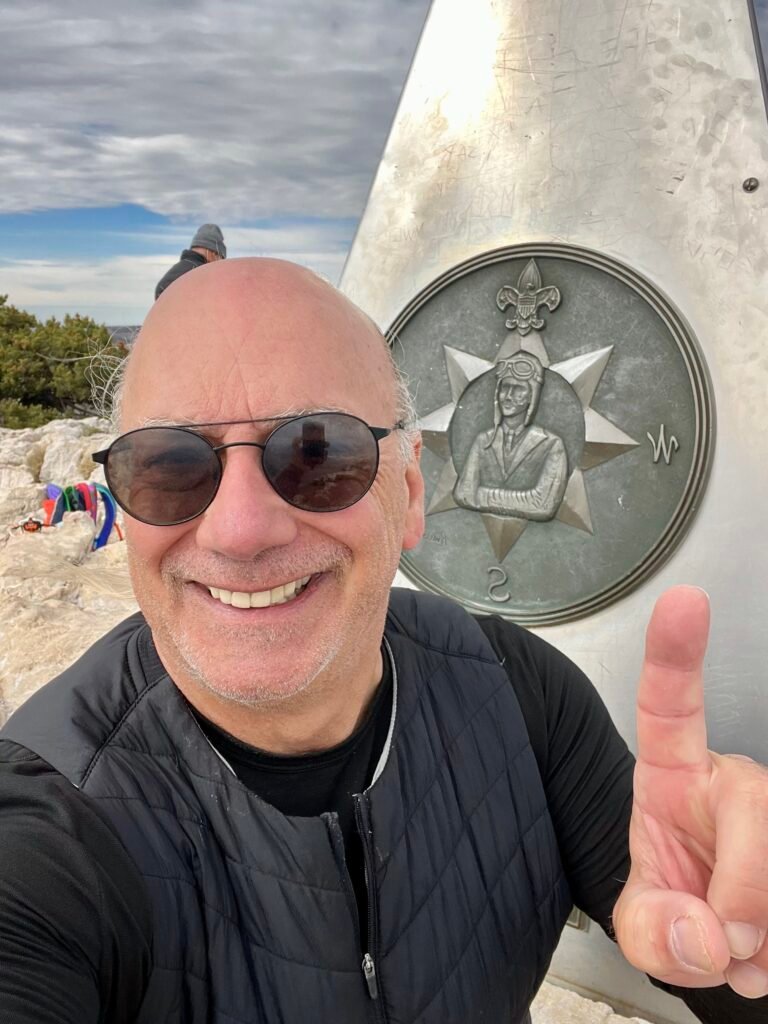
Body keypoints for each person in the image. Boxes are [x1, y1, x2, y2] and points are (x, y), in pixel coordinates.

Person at [0, 259, 766, 1024]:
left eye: (318, 454)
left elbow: (706, 948)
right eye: (169, 465)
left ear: (407, 491)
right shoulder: (50, 832)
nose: (238, 531)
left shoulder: (520, 695)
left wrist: (738, 922)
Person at [454, 351, 568, 520]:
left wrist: (481, 495)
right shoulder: (483, 440)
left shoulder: (551, 444)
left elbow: (543, 505)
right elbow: (463, 494)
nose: (508, 396)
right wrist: (522, 501)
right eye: (505, 387)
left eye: (518, 389)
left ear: (532, 396)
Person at [154, 223, 226, 299]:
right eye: (221, 258)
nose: (219, 263)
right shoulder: (205, 276)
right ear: (214, 253)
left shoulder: (168, 278)